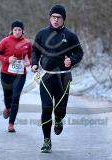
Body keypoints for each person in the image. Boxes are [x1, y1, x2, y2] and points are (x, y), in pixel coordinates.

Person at [32, 4, 84, 153]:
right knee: (46, 108)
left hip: (64, 77)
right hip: (46, 76)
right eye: (53, 17)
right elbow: (35, 50)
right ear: (50, 18)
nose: (55, 20)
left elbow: (79, 53)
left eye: (58, 17)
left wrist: (72, 61)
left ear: (63, 19)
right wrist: (34, 63)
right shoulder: (42, 34)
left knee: (60, 110)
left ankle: (59, 119)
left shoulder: (70, 36)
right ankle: (46, 141)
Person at [0, 20, 32, 132]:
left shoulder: (27, 43)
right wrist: (7, 59)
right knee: (8, 95)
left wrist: (28, 62)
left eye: (19, 30)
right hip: (6, 73)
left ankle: (11, 124)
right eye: (15, 29)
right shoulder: (5, 41)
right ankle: (7, 107)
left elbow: (31, 57)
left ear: (22, 31)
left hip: (20, 75)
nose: (17, 32)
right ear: (12, 30)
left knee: (16, 97)